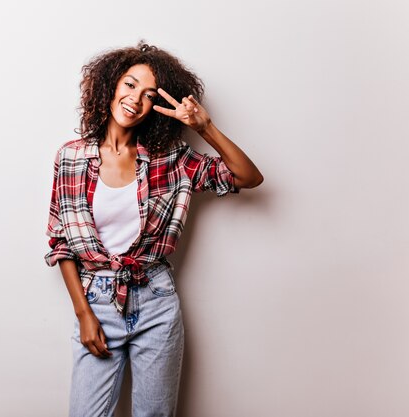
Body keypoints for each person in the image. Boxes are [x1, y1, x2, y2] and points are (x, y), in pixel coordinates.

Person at [44, 42, 263, 417]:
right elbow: (61, 242)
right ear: (110, 85)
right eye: (129, 85)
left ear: (157, 106)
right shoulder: (72, 156)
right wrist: (84, 314)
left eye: (148, 94)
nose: (135, 100)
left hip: (156, 301)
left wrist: (204, 127)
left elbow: (248, 177)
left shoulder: (172, 159)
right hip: (96, 299)